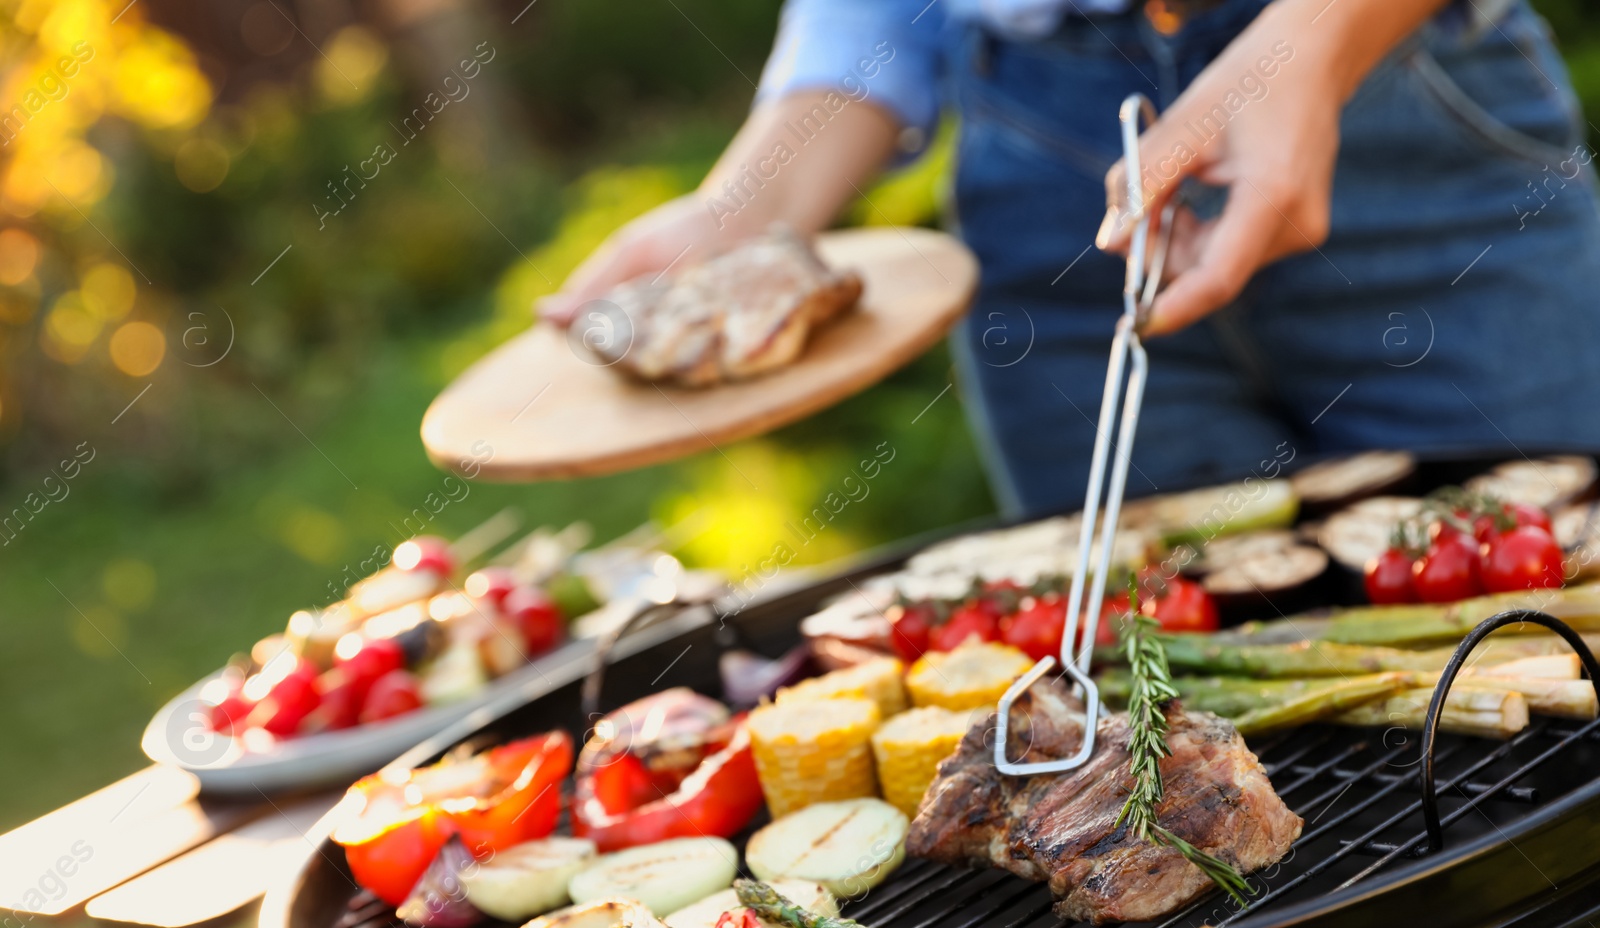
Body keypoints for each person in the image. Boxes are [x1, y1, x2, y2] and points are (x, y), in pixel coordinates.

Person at [540, 0, 1600, 519]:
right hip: (1038, 163)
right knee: (1157, 704)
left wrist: (1310, 48)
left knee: (1548, 636)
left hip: (1401, 104)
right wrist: (752, 209)